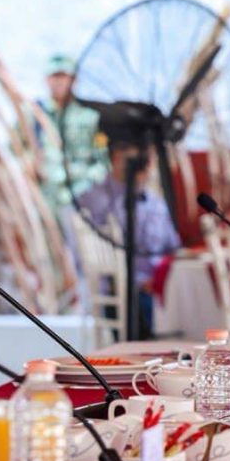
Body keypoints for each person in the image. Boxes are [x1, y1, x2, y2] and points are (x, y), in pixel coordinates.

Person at [76, 138, 181, 336]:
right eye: (137, 157)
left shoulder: (155, 202)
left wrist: (160, 277)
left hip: (161, 287)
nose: (145, 164)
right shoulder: (94, 199)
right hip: (123, 291)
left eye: (147, 158)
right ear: (116, 157)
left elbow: (173, 247)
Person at [32, 53, 104, 212]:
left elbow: (102, 164)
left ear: (74, 80)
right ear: (46, 79)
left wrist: (84, 182)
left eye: (63, 76)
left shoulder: (91, 117)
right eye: (54, 76)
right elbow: (14, 151)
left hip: (82, 200)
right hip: (44, 201)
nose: (58, 82)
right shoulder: (33, 115)